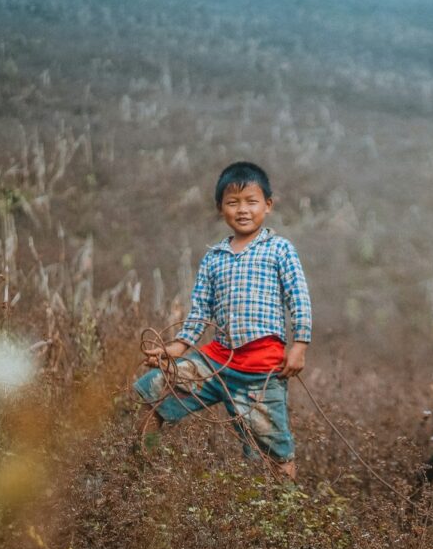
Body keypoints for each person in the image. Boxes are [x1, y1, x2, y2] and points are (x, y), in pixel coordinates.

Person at [133, 161, 311, 480]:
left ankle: (287, 513)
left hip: (261, 371)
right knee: (156, 390)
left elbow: (299, 299)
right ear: (221, 209)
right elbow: (200, 311)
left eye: (251, 201)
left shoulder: (280, 250)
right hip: (217, 362)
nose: (242, 210)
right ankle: (138, 480)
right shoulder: (214, 258)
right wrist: (176, 347)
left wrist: (299, 344)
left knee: (274, 451)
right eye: (233, 202)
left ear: (267, 206)